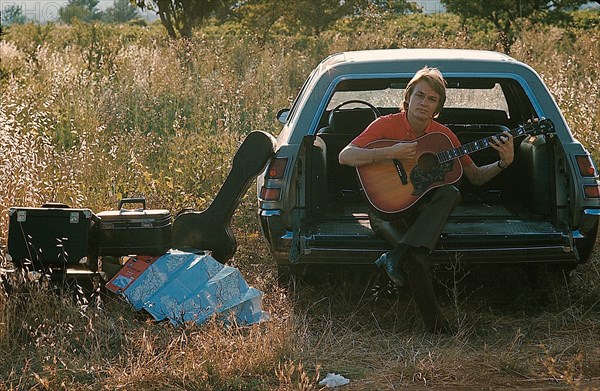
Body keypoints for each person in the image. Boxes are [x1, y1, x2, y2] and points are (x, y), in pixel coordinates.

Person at [338, 67, 514, 333]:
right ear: (408, 97)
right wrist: (389, 153)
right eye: (419, 95)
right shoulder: (386, 124)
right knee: (417, 256)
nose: (424, 103)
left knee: (449, 196)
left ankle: (397, 257)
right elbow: (345, 156)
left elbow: (475, 176)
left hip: (420, 213)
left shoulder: (443, 137)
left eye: (431, 99)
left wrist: (503, 163)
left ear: (437, 107)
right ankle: (437, 326)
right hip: (384, 210)